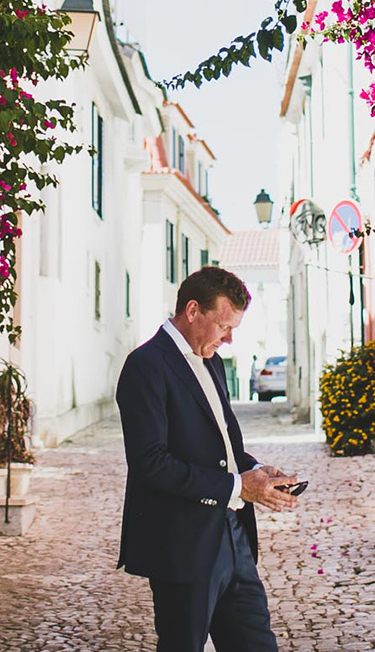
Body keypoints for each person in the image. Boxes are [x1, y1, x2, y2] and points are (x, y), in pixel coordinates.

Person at [116, 266, 299, 651]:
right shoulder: (145, 366)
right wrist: (238, 486)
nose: (230, 339)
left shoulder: (212, 360)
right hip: (181, 541)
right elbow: (150, 463)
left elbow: (222, 446)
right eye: (224, 326)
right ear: (193, 311)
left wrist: (253, 470)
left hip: (234, 536)